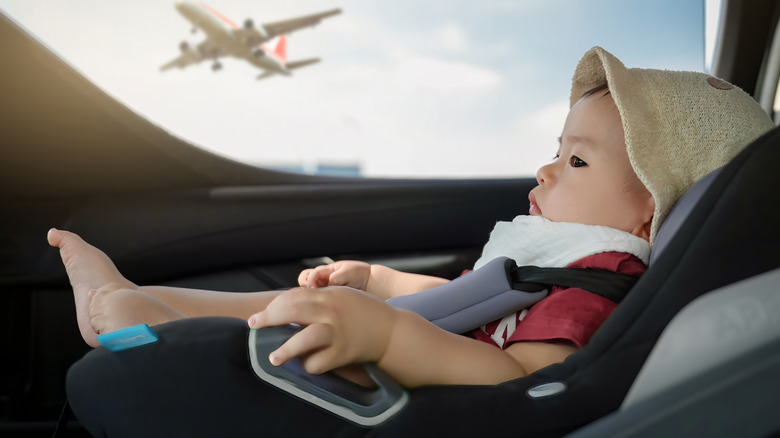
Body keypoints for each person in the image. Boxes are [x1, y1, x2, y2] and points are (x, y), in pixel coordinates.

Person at [48, 47, 774, 389]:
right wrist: (382, 284)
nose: (546, 170)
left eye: (578, 164)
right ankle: (135, 305)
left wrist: (387, 335)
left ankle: (133, 318)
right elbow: (461, 300)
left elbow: (519, 379)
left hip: (418, 397)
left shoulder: (598, 282)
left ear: (653, 208)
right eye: (556, 151)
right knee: (320, 299)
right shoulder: (556, 260)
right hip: (410, 356)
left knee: (317, 311)